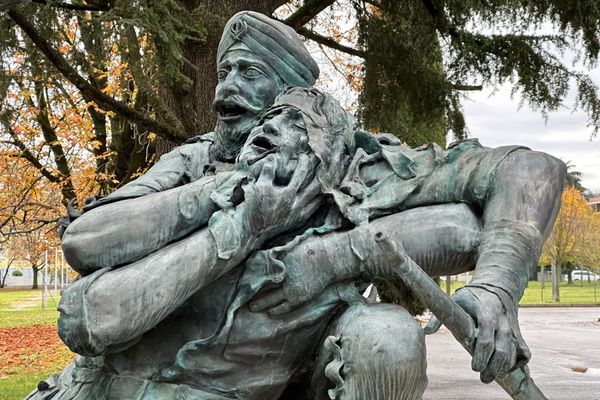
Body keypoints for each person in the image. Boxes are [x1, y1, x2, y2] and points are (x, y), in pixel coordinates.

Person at [32, 10, 565, 400]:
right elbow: (87, 242)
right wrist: (234, 198)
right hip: (124, 384)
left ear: (291, 98)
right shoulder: (192, 163)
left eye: (249, 74)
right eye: (225, 72)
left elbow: (532, 171)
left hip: (251, 387)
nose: (224, 91)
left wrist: (495, 288)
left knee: (388, 336)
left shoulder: (357, 165)